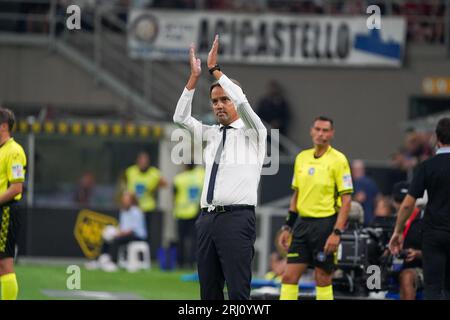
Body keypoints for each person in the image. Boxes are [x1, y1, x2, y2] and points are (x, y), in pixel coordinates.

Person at [173, 35, 267, 300]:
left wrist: (215, 71)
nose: (219, 105)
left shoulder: (254, 132)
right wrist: (194, 78)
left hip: (237, 220)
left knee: (238, 293)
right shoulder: (212, 133)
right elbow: (180, 118)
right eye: (215, 101)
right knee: (209, 294)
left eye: (224, 99)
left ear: (235, 101)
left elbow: (244, 102)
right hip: (206, 220)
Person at [278, 116, 353, 300]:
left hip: (325, 225)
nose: (321, 134)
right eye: (317, 129)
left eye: (325, 130)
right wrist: (288, 227)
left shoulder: (339, 160)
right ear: (311, 131)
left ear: (332, 134)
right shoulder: (301, 158)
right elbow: (296, 196)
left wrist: (336, 232)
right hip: (302, 225)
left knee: (322, 278)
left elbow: (347, 200)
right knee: (288, 276)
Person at [390, 117, 450, 300]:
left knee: (433, 287)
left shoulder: (426, 167)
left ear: (437, 139)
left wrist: (398, 231)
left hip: (434, 233)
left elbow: (408, 203)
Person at [0, 108, 27, 300]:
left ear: (3, 126)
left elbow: (17, 188)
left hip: (7, 211)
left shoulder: (14, 151)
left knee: (4, 263)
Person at [87, 191, 148, 272]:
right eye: (124, 199)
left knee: (116, 240)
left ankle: (113, 262)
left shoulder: (136, 212)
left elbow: (132, 230)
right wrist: (115, 233)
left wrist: (118, 234)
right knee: (107, 238)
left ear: (132, 200)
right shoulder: (123, 211)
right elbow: (123, 227)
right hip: (125, 234)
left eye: (127, 199)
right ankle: (101, 259)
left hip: (137, 236)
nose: (125, 201)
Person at [124, 151, 167, 259]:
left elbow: (164, 183)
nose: (143, 163)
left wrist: (154, 189)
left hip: (147, 207)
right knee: (130, 231)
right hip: (133, 209)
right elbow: (125, 185)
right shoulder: (131, 171)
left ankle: (144, 257)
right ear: (137, 161)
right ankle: (130, 256)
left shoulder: (154, 173)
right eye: (141, 160)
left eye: (145, 161)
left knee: (145, 234)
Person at [391, 181, 424, 300]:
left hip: (419, 268)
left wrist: (417, 254)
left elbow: (437, 253)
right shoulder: (386, 221)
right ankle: (371, 295)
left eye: (404, 201)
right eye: (398, 201)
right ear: (392, 201)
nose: (401, 205)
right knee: (371, 269)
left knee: (407, 276)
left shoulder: (426, 222)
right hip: (390, 267)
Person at [173, 164, 205, 268]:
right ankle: (192, 262)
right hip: (195, 211)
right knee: (194, 239)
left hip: (181, 211)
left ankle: (180, 262)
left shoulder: (179, 178)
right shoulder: (201, 175)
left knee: (181, 239)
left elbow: (174, 193)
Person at [351, 159, 380, 226]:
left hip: (362, 218)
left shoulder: (359, 182)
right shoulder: (371, 182)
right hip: (371, 217)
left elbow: (360, 198)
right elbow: (379, 198)